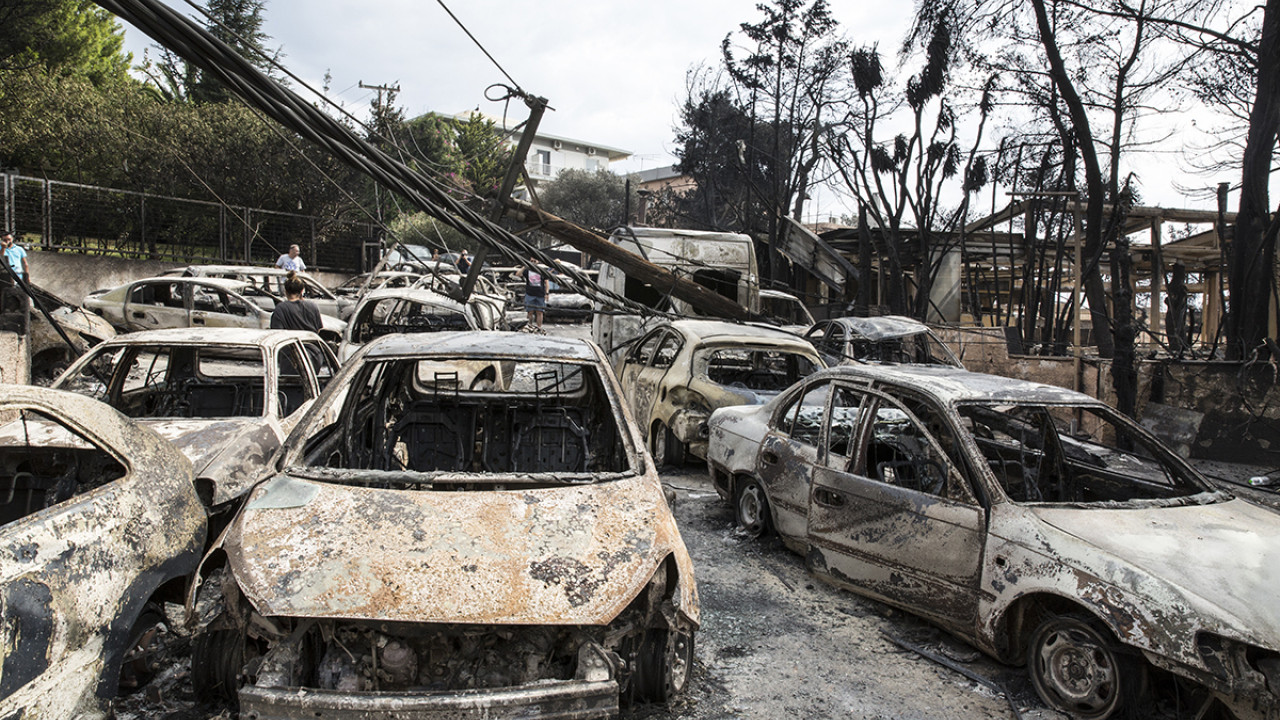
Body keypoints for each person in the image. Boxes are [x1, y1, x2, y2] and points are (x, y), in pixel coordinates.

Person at [517, 256, 550, 332]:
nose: (533, 262)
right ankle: (530, 326)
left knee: (539, 312)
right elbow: (518, 274)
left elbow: (547, 283)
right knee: (530, 312)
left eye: (535, 261)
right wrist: (524, 266)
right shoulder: (527, 270)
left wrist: (547, 293)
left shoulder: (542, 271)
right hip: (530, 294)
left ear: (538, 261)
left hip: (540, 294)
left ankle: (539, 327)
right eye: (532, 261)